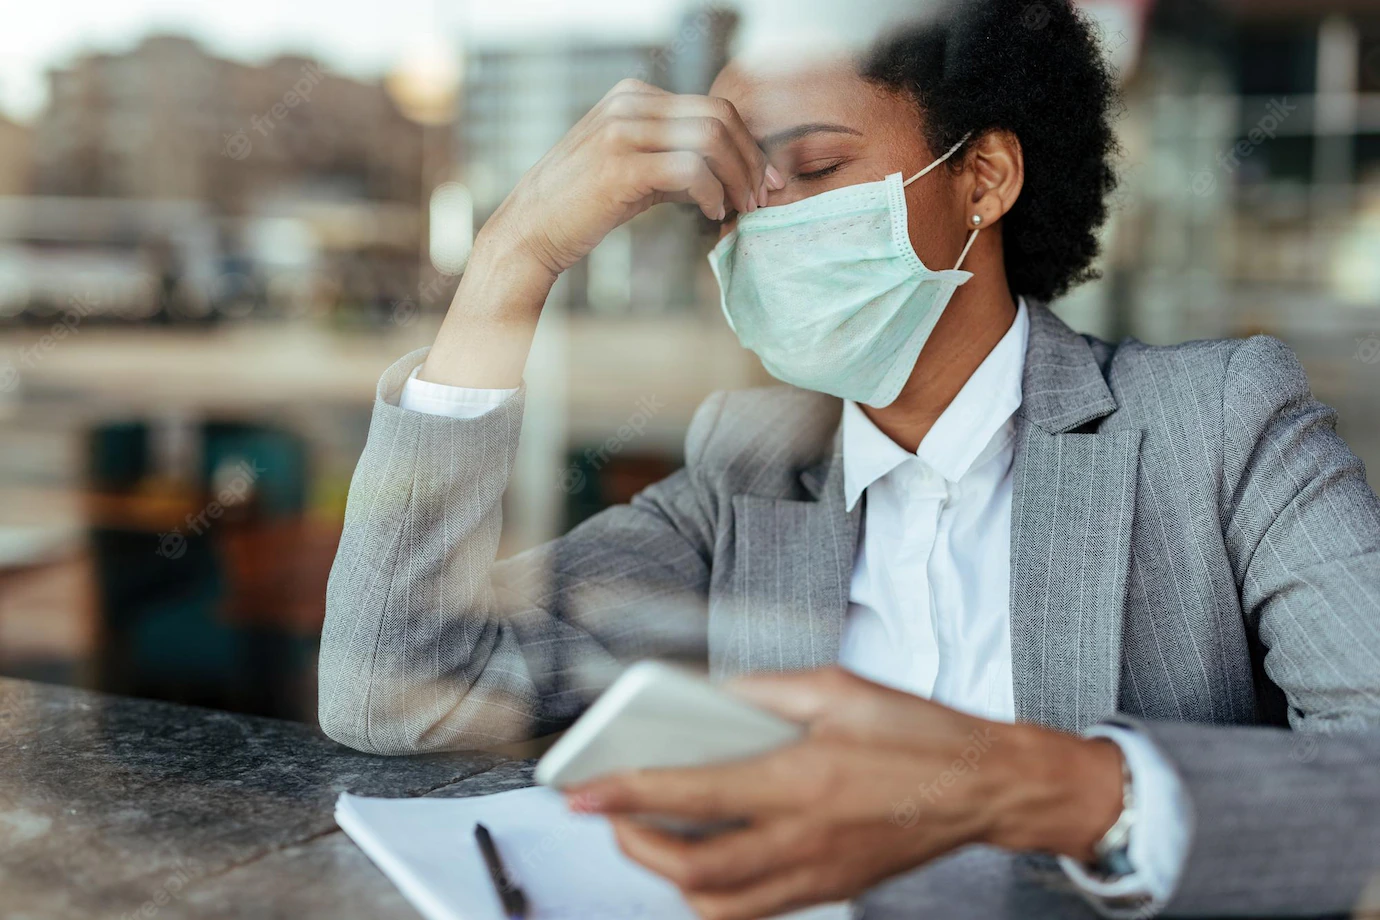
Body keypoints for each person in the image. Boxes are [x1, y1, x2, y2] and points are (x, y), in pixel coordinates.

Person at [318, 1, 1380, 917]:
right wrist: (515, 255)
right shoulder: (750, 472)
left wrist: (1035, 786)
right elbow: (400, 685)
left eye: (816, 166)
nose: (762, 219)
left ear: (985, 176)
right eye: (734, 191)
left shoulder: (1222, 425)